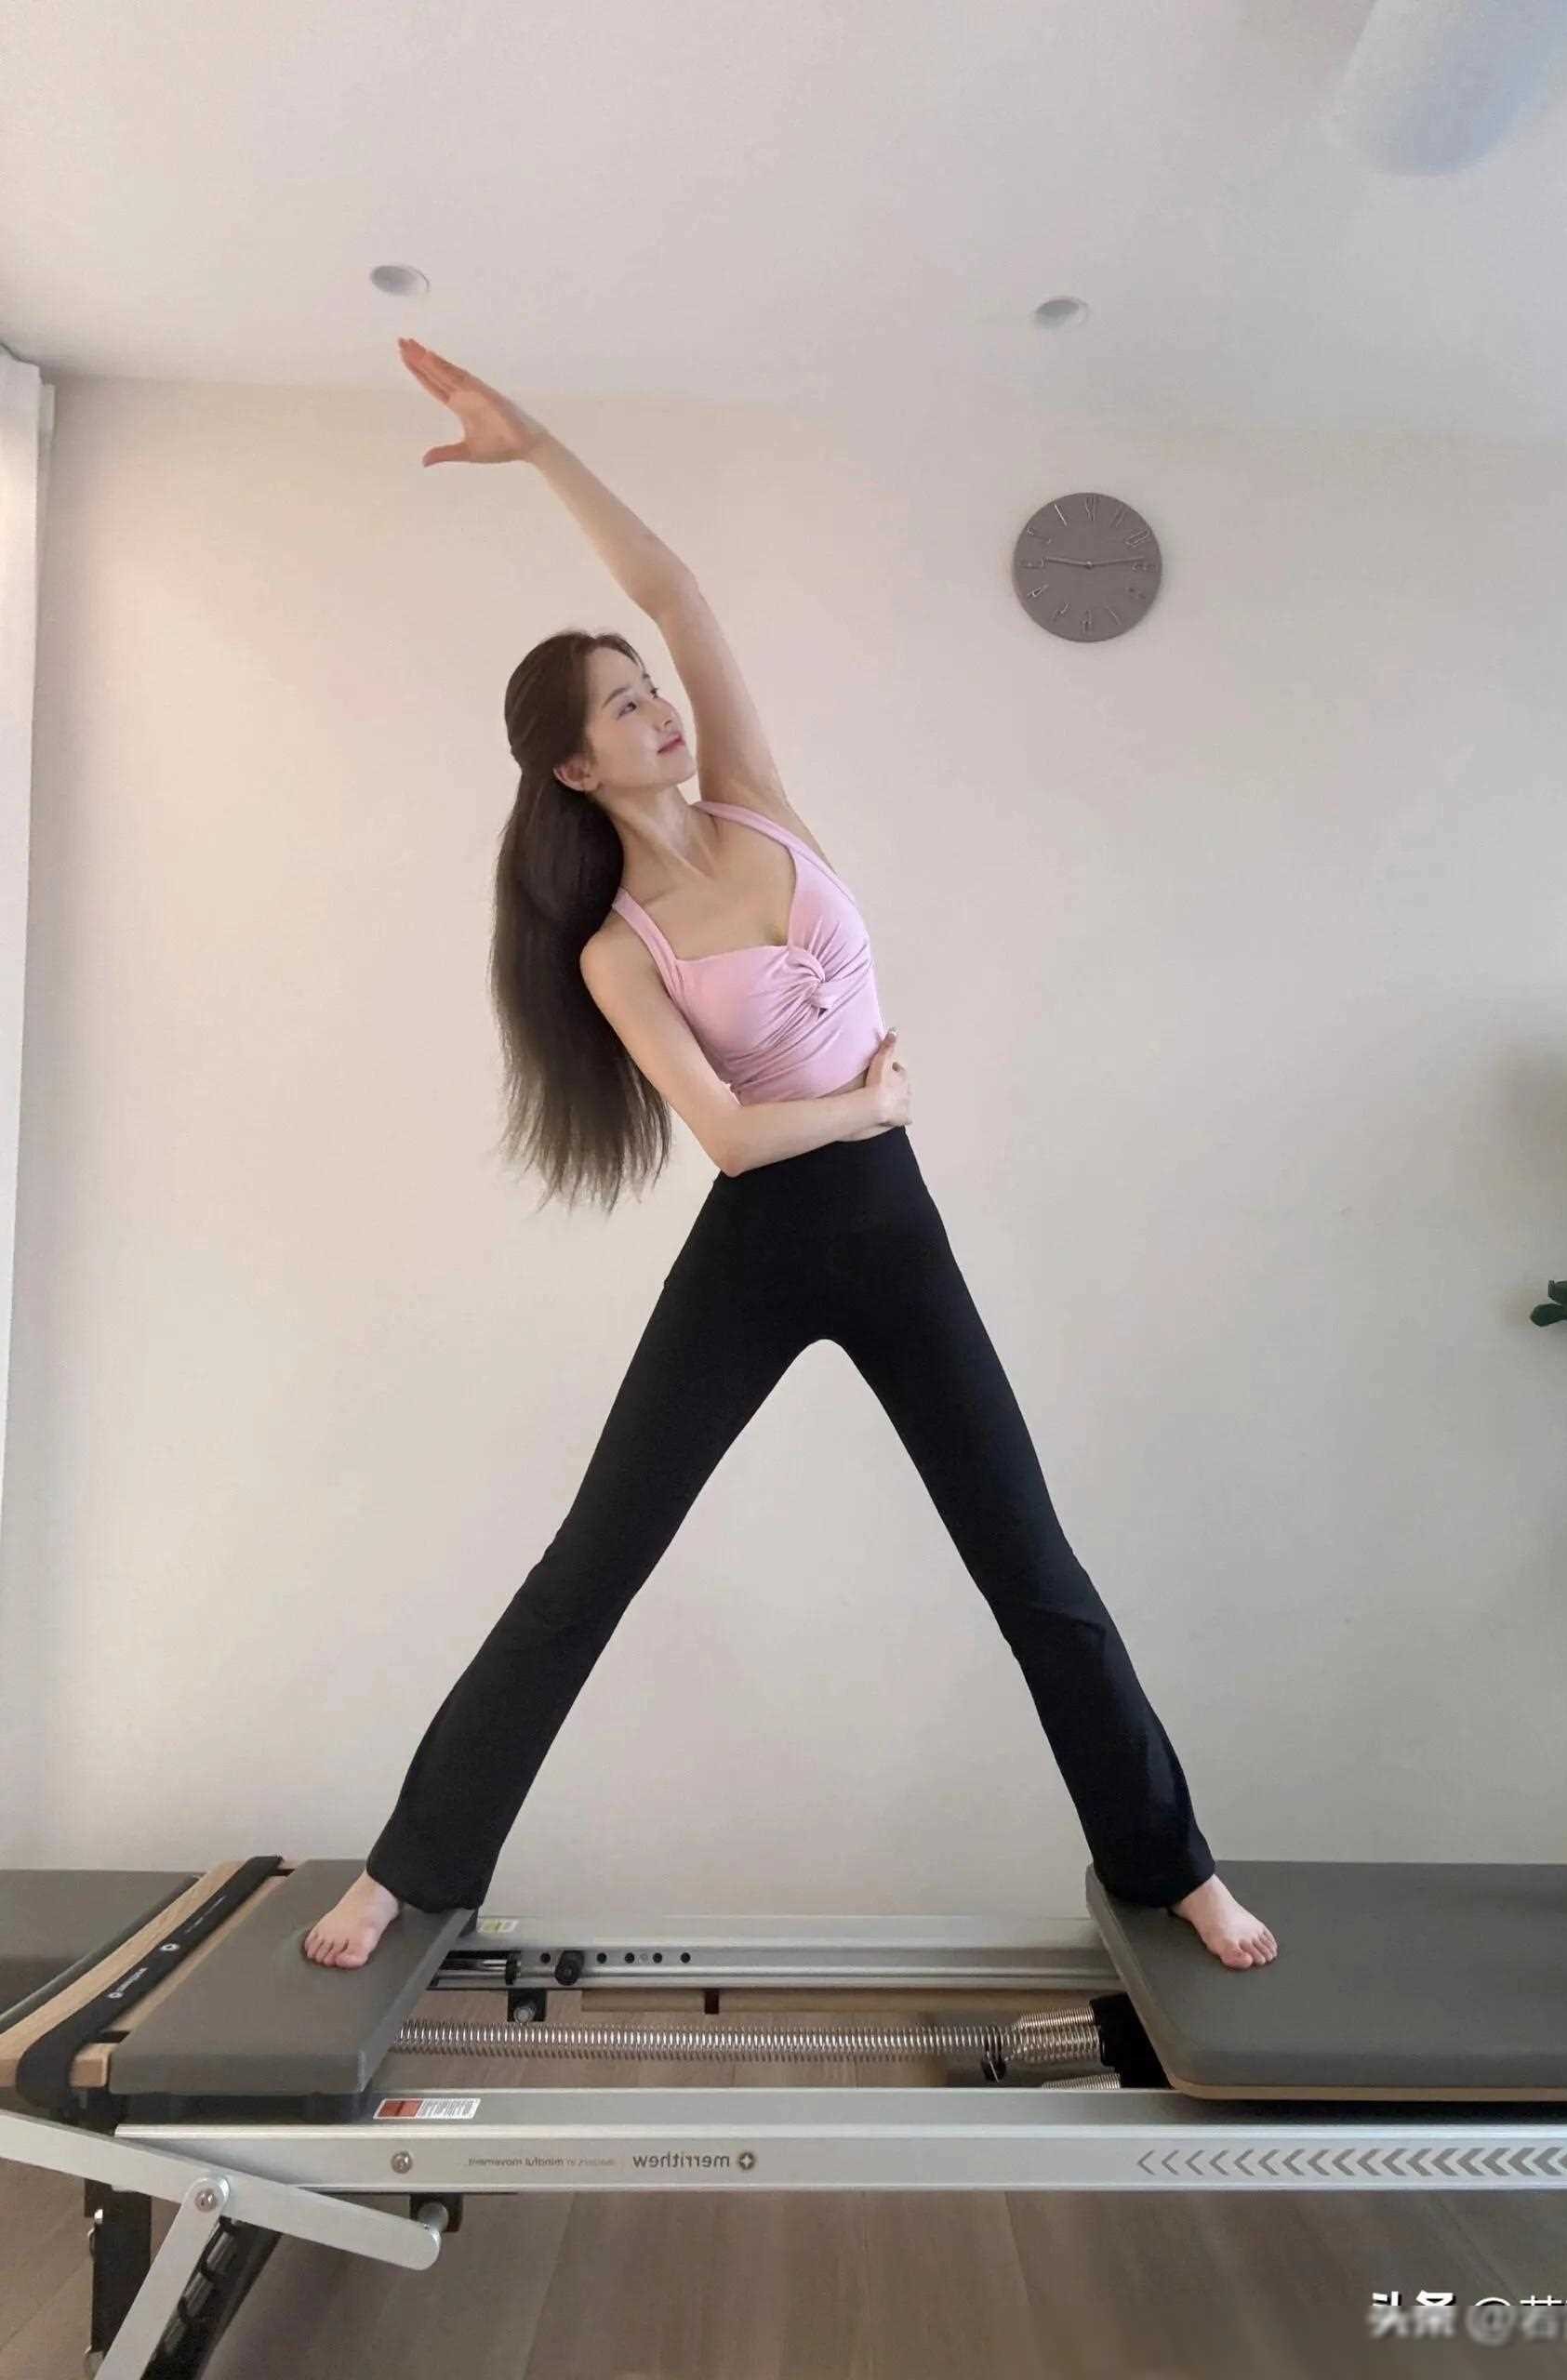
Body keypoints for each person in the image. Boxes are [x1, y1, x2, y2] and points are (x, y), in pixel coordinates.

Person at [303, 339, 1277, 1976]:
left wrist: (538, 445)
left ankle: (1173, 1866)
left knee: (1032, 1566)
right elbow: (733, 1134)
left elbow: (674, 587)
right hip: (761, 1244)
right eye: (624, 706)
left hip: (894, 1235)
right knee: (592, 1566)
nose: (659, 708)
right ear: (575, 766)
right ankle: (410, 1871)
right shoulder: (616, 949)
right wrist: (868, 1112)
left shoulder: (756, 801)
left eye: (650, 688)